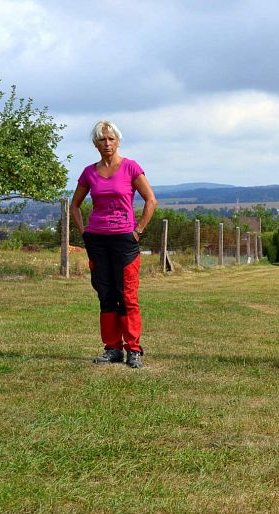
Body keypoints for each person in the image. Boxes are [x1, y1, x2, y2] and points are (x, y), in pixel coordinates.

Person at [70, 120, 158, 368]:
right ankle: (112, 349)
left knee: (127, 295)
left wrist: (137, 230)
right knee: (106, 294)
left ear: (118, 141)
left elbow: (151, 200)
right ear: (95, 143)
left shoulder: (130, 168)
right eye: (102, 139)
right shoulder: (89, 172)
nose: (107, 143)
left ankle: (133, 350)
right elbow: (74, 205)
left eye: (111, 139)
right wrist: (84, 231)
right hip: (97, 240)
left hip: (125, 240)